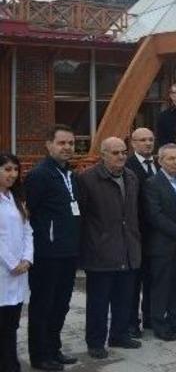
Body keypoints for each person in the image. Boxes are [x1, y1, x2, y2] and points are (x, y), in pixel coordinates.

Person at [77, 137, 143, 359]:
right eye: (115, 153)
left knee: (124, 297)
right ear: (103, 155)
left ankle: (119, 334)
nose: (121, 156)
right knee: (98, 301)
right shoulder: (87, 179)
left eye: (124, 152)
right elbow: (82, 218)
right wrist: (92, 245)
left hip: (128, 248)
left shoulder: (131, 177)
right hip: (100, 252)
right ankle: (95, 342)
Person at [26, 125, 81, 370]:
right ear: (49, 145)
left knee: (61, 303)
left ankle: (54, 348)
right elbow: (31, 213)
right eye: (62, 143)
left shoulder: (70, 173)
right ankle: (39, 355)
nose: (67, 147)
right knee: (43, 305)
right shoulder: (39, 175)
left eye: (70, 143)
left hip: (69, 251)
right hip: (47, 253)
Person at [145, 143, 176, 342]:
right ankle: (159, 323)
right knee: (162, 285)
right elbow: (154, 215)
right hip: (163, 244)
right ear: (160, 161)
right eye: (171, 159)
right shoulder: (152, 183)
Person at [0, 153, 33, 372]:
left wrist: (27, 258)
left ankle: (10, 363)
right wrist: (12, 263)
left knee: (11, 324)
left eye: (15, 169)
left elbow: (27, 230)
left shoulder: (15, 197)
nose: (12, 174)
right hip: (4, 271)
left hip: (20, 271)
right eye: (7, 169)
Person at [125, 128, 157, 338]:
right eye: (142, 140)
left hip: (157, 235)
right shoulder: (128, 166)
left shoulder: (157, 164)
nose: (147, 143)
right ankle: (130, 323)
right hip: (136, 234)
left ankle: (151, 317)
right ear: (133, 144)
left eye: (151, 140)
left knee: (153, 279)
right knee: (133, 283)